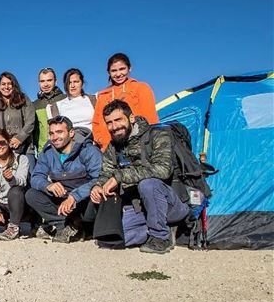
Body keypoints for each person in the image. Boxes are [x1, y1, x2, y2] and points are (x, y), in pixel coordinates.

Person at [89, 100, 189, 254]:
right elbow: (106, 173)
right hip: (139, 206)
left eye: (118, 120)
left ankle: (160, 237)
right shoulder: (113, 146)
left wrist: (120, 176)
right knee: (112, 239)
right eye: (109, 123)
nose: (114, 127)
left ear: (131, 118)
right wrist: (97, 186)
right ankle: (165, 230)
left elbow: (163, 170)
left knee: (148, 184)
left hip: (171, 203)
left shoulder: (158, 135)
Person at [26, 115, 102, 243]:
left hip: (83, 198)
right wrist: (48, 185)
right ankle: (66, 225)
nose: (55, 137)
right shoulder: (47, 152)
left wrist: (75, 196)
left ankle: (83, 226)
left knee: (95, 199)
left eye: (60, 132)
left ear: (71, 133)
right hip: (61, 198)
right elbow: (36, 177)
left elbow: (99, 178)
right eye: (52, 133)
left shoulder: (89, 150)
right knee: (31, 194)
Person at [92, 53, 159, 150]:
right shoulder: (103, 95)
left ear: (129, 68)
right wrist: (102, 142)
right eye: (114, 71)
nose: (118, 74)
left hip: (139, 144)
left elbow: (150, 118)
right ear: (108, 72)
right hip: (110, 148)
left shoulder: (141, 88)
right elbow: (97, 122)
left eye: (122, 69)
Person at [0, 72, 36, 169]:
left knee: (30, 176)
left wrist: (19, 138)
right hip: (3, 148)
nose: (6, 87)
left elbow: (30, 121)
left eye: (9, 84)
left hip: (24, 147)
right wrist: (2, 142)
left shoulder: (23, 99)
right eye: (3, 84)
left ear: (14, 85)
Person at [33, 68, 65, 151]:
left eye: (49, 80)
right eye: (42, 81)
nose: (46, 84)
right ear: (39, 83)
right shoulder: (34, 105)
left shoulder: (65, 100)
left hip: (64, 150)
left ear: (56, 81)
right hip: (43, 151)